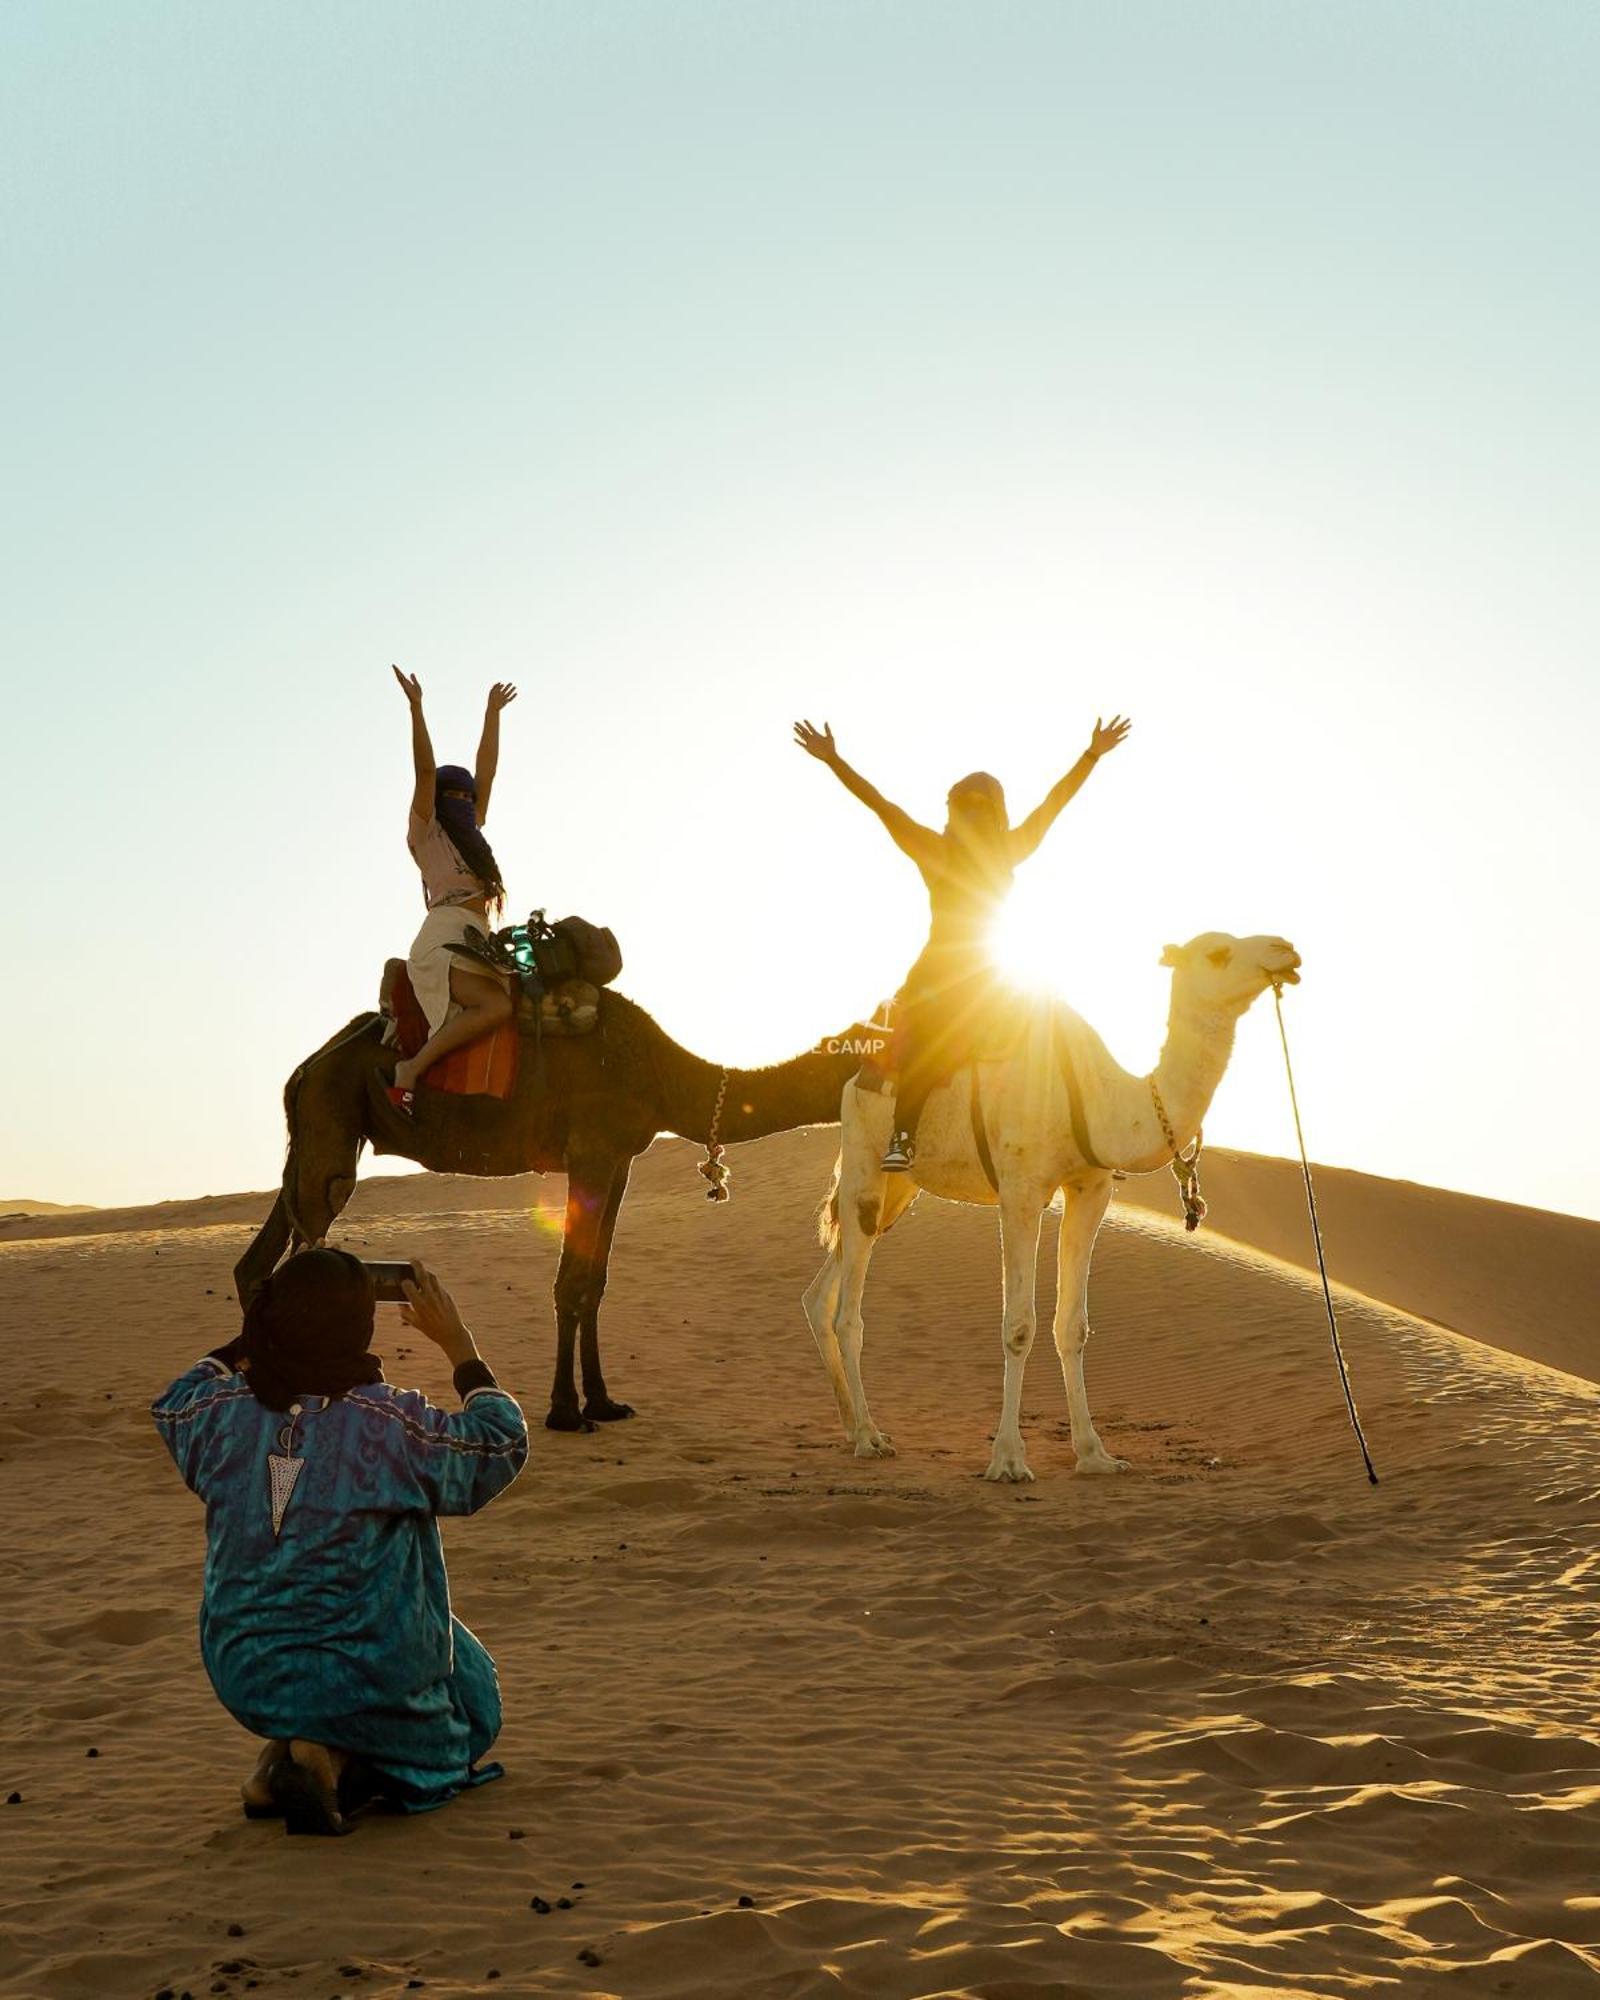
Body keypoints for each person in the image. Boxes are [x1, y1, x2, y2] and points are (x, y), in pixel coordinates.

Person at [151, 1250, 528, 1835]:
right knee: (471, 1719)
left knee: (442, 1660)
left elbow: (176, 1398)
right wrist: (460, 1347)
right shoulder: (389, 1423)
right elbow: (499, 1444)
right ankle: (337, 1766)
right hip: (367, 1671)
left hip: (245, 1671)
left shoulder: (214, 1416)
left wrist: (263, 1330)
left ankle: (286, 1757)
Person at [794, 714, 1132, 1169]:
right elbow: (881, 806)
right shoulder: (936, 851)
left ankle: (1083, 1142)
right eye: (965, 803)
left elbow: (1054, 805)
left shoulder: (1007, 848)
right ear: (954, 809)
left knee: (1062, 1035)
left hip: (1000, 974)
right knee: (929, 1048)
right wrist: (834, 760)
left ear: (995, 812)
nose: (973, 811)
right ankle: (904, 1135)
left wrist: (1091, 755)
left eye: (981, 804)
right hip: (943, 978)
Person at [389, 667, 519, 1101]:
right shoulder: (427, 833)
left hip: (477, 937)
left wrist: (492, 713)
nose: (464, 803)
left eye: (469, 798)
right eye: (455, 797)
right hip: (443, 939)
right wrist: (416, 709)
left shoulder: (472, 832)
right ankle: (413, 1066)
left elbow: (489, 771)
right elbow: (425, 773)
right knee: (495, 1006)